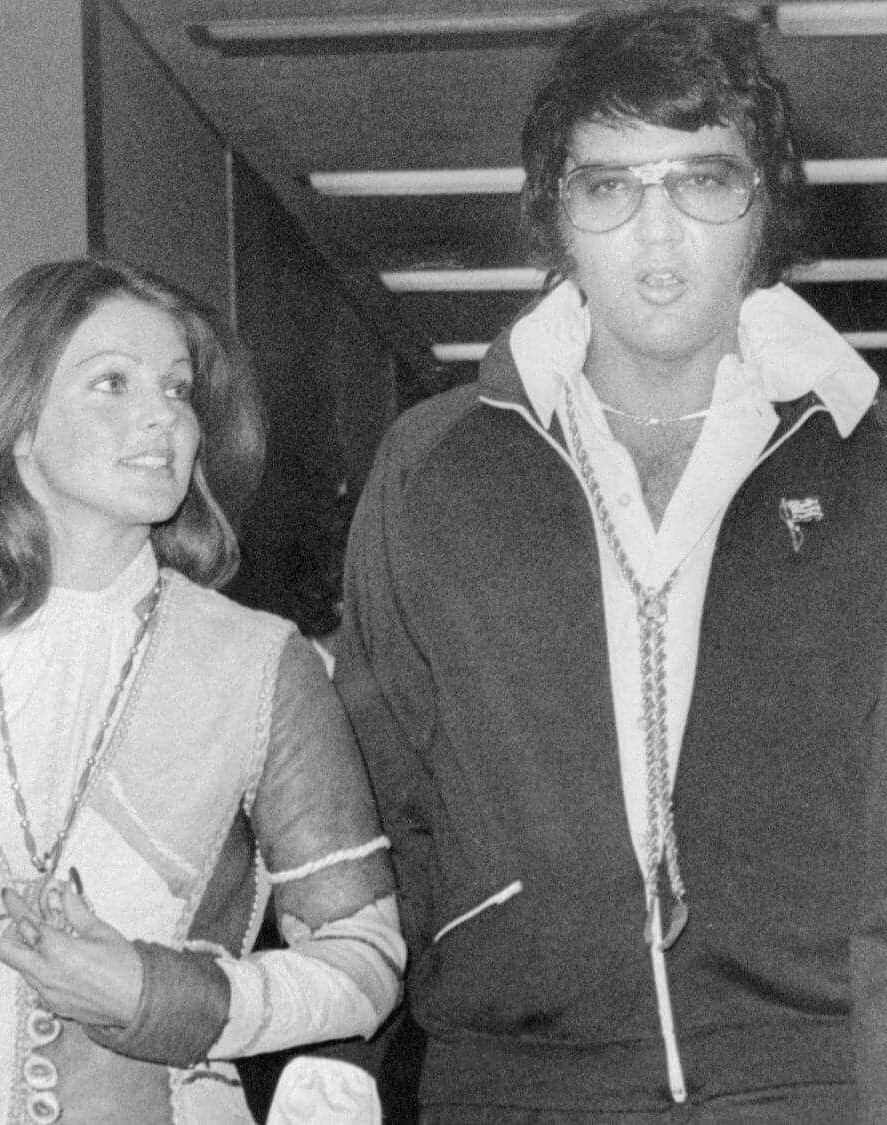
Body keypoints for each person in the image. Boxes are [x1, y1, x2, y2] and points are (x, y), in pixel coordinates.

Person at [335, 6, 887, 1122]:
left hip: (814, 1073)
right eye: (609, 187)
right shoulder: (434, 470)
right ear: (559, 217)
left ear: (764, 204)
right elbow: (388, 777)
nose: (658, 231)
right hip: (514, 1078)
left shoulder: (870, 465)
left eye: (703, 180)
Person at [0, 256, 404, 1125]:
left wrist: (164, 994)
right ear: (16, 421)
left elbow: (365, 962)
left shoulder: (261, 664)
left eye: (177, 388)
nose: (162, 414)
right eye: (112, 383)